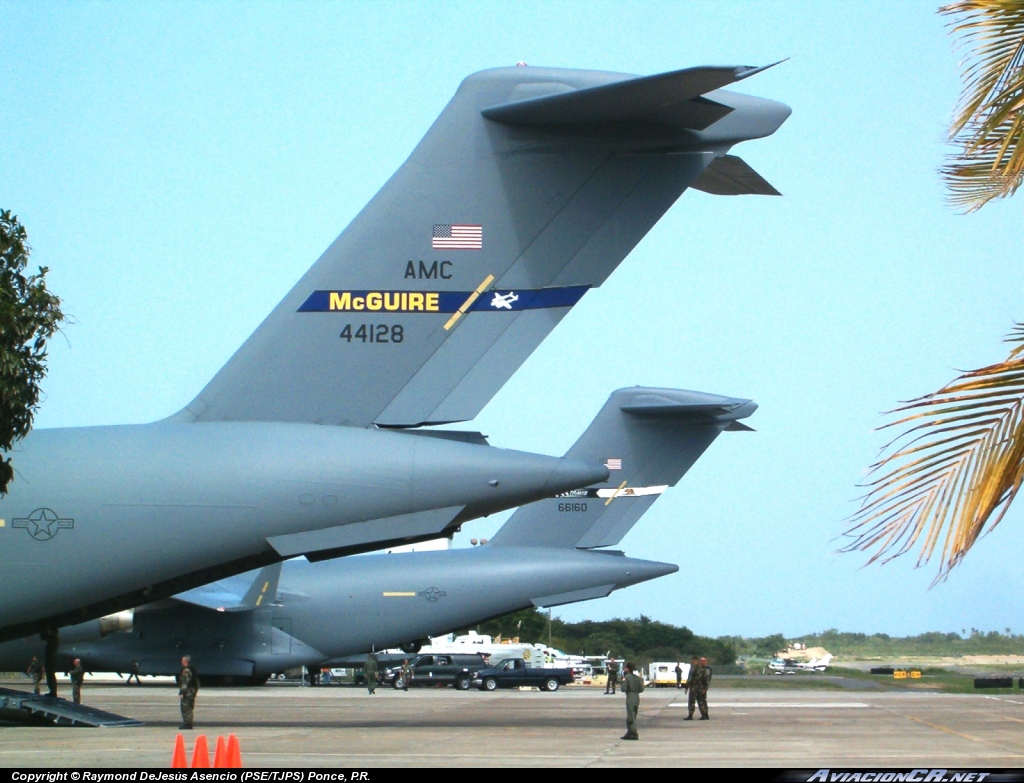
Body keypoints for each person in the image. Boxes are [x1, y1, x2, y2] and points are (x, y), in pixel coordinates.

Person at [620, 662, 644, 740]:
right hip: (637, 697)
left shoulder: (627, 677)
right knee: (634, 715)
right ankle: (629, 732)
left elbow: (623, 689)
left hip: (630, 696)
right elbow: (641, 689)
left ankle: (633, 733)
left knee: (630, 716)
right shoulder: (638, 678)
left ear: (628, 668)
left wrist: (623, 680)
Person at [684, 655, 709, 720]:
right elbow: (705, 679)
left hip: (694, 687)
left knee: (692, 701)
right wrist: (705, 688)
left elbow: (690, 677)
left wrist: (686, 687)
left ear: (694, 660)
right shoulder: (703, 668)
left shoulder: (693, 668)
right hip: (700, 687)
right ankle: (704, 715)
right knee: (701, 701)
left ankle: (690, 715)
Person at [177, 655, 199, 729]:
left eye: (183, 660)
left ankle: (187, 723)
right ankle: (189, 723)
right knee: (190, 708)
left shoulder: (186, 671)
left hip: (187, 693)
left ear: (185, 662)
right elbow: (197, 683)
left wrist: (181, 692)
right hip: (192, 692)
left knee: (186, 708)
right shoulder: (192, 670)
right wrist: (195, 691)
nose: (181, 662)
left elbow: (184, 683)